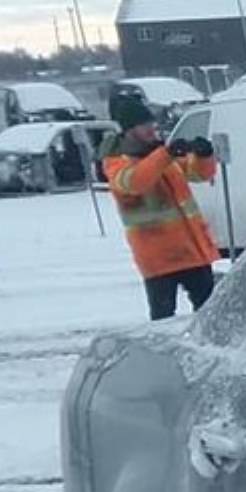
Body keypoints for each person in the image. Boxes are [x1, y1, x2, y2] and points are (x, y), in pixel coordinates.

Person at [102, 82, 221, 319]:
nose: (151, 129)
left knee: (212, 315)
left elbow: (199, 174)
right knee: (163, 320)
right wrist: (165, 154)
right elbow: (136, 182)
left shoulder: (159, 155)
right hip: (159, 260)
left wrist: (203, 156)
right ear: (128, 130)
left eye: (151, 124)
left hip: (192, 252)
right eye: (144, 125)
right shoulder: (117, 163)